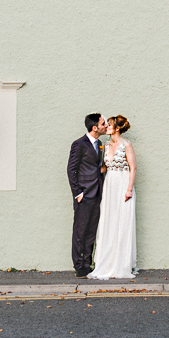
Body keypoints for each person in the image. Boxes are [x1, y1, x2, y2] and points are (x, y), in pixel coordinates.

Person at [88, 115, 137, 279]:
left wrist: (129, 189)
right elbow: (103, 167)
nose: (106, 127)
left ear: (117, 128)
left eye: (109, 125)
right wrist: (87, 175)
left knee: (122, 221)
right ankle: (107, 262)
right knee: (109, 221)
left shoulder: (127, 145)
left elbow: (133, 168)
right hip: (109, 185)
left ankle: (121, 264)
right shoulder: (106, 144)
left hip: (123, 184)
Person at [67, 112, 107, 278]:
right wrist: (78, 193)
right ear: (94, 127)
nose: (106, 126)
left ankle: (87, 263)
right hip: (84, 194)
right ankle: (79, 266)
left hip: (97, 192)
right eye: (103, 123)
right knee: (80, 231)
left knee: (91, 231)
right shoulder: (79, 144)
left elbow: (96, 168)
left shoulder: (100, 144)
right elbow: (71, 169)